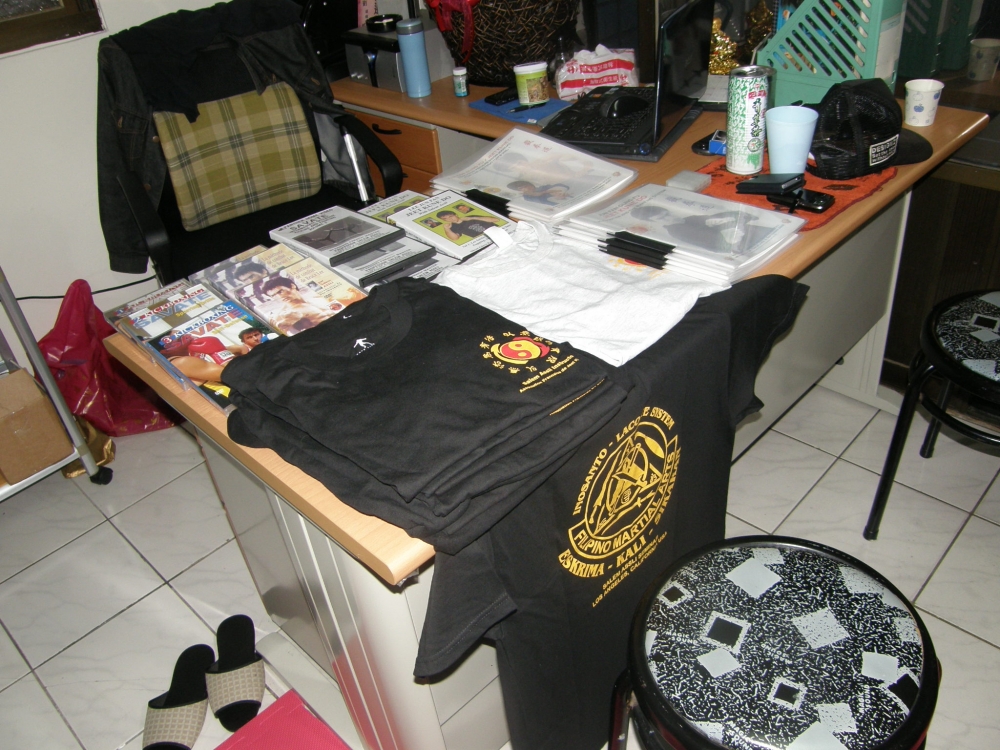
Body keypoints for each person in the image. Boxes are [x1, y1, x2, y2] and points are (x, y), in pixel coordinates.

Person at [630, 205, 773, 254]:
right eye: (662, 218)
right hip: (748, 243)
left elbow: (719, 217)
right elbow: (717, 244)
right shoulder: (677, 231)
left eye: (667, 213)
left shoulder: (689, 218)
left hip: (753, 233)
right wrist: (727, 225)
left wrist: (726, 219)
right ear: (655, 222)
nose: (670, 217)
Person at [259, 276, 343, 334]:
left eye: (280, 291)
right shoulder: (284, 314)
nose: (279, 297)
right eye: (273, 295)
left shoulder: (316, 298)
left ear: (292, 286)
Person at [435, 210, 506, 242]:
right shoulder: (453, 227)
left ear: (455, 215)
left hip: (499, 231)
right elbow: (455, 238)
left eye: (451, 216)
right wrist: (446, 229)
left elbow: (495, 220)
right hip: (485, 239)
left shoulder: (470, 217)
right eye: (445, 219)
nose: (450, 219)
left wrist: (472, 218)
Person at [507, 180, 571, 206]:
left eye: (526, 185)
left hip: (568, 202)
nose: (526, 188)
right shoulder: (527, 198)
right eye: (521, 188)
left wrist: (560, 192)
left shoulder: (543, 187)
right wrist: (545, 192)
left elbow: (562, 186)